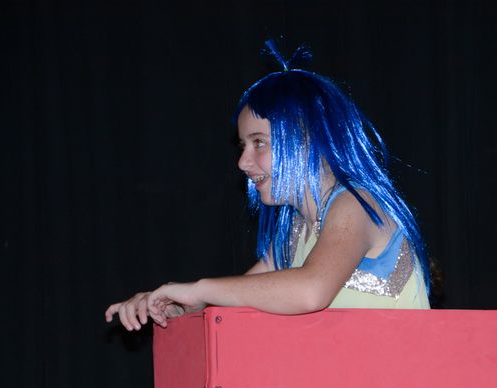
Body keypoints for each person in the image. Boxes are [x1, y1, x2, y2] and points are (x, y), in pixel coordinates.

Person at [105, 43, 430, 331]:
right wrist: (172, 304)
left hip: (398, 382)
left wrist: (199, 289)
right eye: (242, 145)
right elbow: (239, 299)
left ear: (307, 141)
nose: (243, 162)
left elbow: (310, 290)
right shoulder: (294, 232)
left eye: (259, 142)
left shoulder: (356, 204)